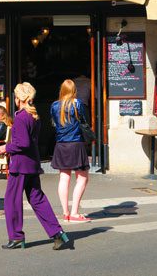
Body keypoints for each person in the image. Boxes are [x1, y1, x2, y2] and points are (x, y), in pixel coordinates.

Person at [0, 82, 69, 251]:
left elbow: (23, 143)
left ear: (19, 98)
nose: (14, 99)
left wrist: (5, 148)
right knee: (37, 199)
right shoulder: (33, 116)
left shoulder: (22, 117)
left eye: (15, 96)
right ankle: (57, 233)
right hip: (32, 164)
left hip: (20, 165)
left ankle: (16, 237)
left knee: (11, 201)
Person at [50, 79, 91, 222]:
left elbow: (54, 123)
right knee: (82, 177)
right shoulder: (77, 104)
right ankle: (74, 212)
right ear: (74, 90)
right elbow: (84, 121)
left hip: (61, 144)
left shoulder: (54, 105)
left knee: (64, 178)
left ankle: (65, 212)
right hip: (76, 143)